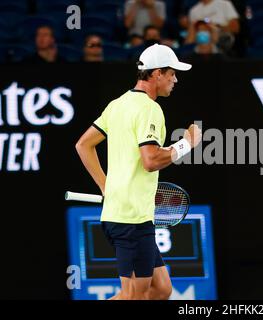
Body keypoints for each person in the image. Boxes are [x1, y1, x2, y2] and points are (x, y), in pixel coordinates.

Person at [75, 44, 202, 300]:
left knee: (162, 289)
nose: (175, 79)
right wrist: (186, 144)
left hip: (129, 217)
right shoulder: (149, 108)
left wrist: (105, 186)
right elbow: (151, 160)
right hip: (130, 220)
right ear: (156, 74)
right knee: (134, 296)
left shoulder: (118, 104)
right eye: (172, 73)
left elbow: (83, 145)